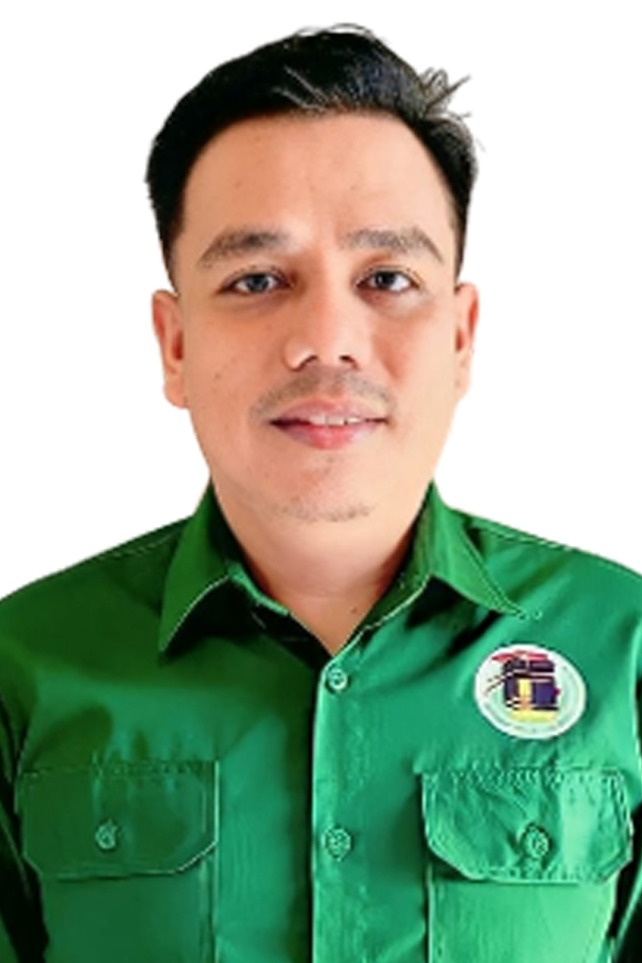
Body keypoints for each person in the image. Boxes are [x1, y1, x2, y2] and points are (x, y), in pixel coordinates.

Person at [0, 25, 640, 963]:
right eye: (257, 279)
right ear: (175, 345)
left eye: (387, 278)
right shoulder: (21, 665)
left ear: (460, 337)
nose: (326, 338)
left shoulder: (623, 647)